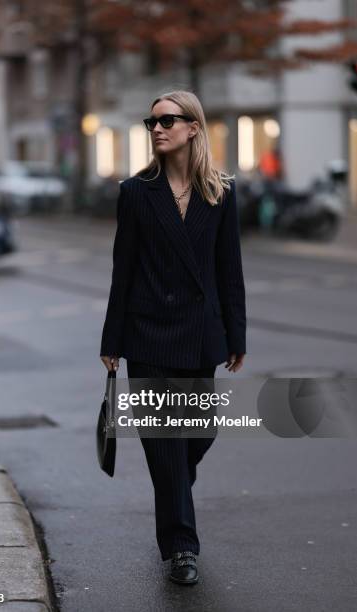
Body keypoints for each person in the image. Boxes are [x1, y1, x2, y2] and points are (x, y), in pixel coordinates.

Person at [100, 90, 247, 585]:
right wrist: (111, 341)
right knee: (165, 444)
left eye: (167, 120)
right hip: (146, 335)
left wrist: (236, 334)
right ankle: (181, 548)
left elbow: (230, 270)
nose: (157, 129)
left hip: (199, 336)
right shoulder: (136, 192)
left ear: (193, 128)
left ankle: (176, 486)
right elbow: (123, 272)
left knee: (199, 435)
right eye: (152, 122)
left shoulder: (220, 192)